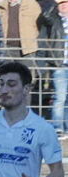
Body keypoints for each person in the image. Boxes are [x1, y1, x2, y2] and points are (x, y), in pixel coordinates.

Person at [38, 0, 68, 138]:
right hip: (59, 63)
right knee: (60, 97)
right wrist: (54, 3)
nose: (64, 5)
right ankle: (57, 127)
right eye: (61, 3)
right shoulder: (54, 20)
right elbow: (45, 14)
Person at [0, 0, 41, 66]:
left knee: (25, 74)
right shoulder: (2, 6)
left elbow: (39, 24)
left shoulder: (32, 4)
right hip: (6, 48)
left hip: (27, 49)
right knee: (6, 74)